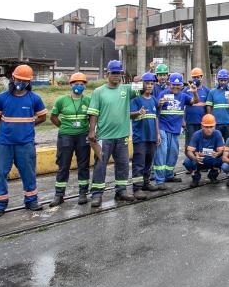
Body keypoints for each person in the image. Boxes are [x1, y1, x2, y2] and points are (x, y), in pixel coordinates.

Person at [0, 64, 48, 217]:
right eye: (18, 79)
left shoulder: (34, 99)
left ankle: (31, 201)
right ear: (12, 78)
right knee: (0, 173)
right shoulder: (1, 98)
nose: (20, 83)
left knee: (28, 173)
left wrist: (28, 124)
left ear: (29, 82)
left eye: (24, 80)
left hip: (26, 143)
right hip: (4, 143)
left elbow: (42, 117)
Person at [87, 60, 137, 207]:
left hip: (122, 137)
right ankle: (96, 194)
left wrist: (144, 76)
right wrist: (92, 131)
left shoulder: (127, 89)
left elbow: (144, 88)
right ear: (107, 74)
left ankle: (121, 191)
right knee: (100, 165)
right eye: (114, 73)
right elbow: (93, 114)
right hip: (104, 137)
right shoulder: (98, 92)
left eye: (119, 73)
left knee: (123, 165)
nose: (117, 76)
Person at [48, 72, 94, 207]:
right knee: (63, 165)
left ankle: (83, 193)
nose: (79, 86)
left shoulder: (88, 101)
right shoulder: (61, 100)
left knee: (83, 165)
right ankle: (59, 195)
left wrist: (91, 130)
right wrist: (64, 128)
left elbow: (92, 117)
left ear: (85, 86)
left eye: (81, 84)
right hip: (66, 137)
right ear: (71, 85)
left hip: (83, 136)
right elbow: (54, 117)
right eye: (76, 84)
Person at [155, 73, 198, 185]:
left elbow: (195, 102)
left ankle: (169, 175)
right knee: (162, 152)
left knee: (173, 153)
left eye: (178, 85)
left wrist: (194, 93)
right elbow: (156, 110)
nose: (175, 87)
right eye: (173, 84)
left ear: (181, 86)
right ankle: (159, 180)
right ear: (169, 84)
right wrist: (159, 104)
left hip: (175, 130)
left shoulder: (183, 96)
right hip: (163, 128)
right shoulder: (163, 94)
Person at [130, 73, 162, 199]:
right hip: (140, 138)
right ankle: (136, 188)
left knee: (149, 161)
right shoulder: (136, 99)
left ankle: (146, 183)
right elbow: (130, 115)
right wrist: (138, 113)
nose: (149, 86)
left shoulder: (154, 100)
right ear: (142, 85)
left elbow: (156, 118)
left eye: (151, 84)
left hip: (152, 137)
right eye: (147, 83)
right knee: (139, 163)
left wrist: (158, 133)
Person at [184, 114, 225, 187]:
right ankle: (196, 177)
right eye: (206, 127)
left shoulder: (217, 133)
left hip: (212, 159)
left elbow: (221, 150)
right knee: (187, 162)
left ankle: (213, 175)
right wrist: (195, 158)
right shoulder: (196, 134)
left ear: (215, 126)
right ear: (202, 126)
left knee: (222, 159)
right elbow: (189, 151)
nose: (209, 129)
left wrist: (218, 153)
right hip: (200, 159)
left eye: (211, 127)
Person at [206, 69, 229, 139]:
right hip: (216, 123)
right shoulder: (212, 92)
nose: (223, 82)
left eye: (225, 80)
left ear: (228, 80)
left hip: (228, 123)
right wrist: (210, 119)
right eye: (221, 80)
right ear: (218, 80)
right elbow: (209, 106)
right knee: (216, 143)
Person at [184, 68, 210, 144]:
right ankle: (189, 156)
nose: (196, 79)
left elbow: (209, 107)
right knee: (190, 142)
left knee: (202, 142)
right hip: (190, 122)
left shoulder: (207, 91)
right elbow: (181, 104)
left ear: (201, 77)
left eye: (198, 77)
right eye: (194, 77)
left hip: (203, 122)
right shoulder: (186, 90)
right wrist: (183, 120)